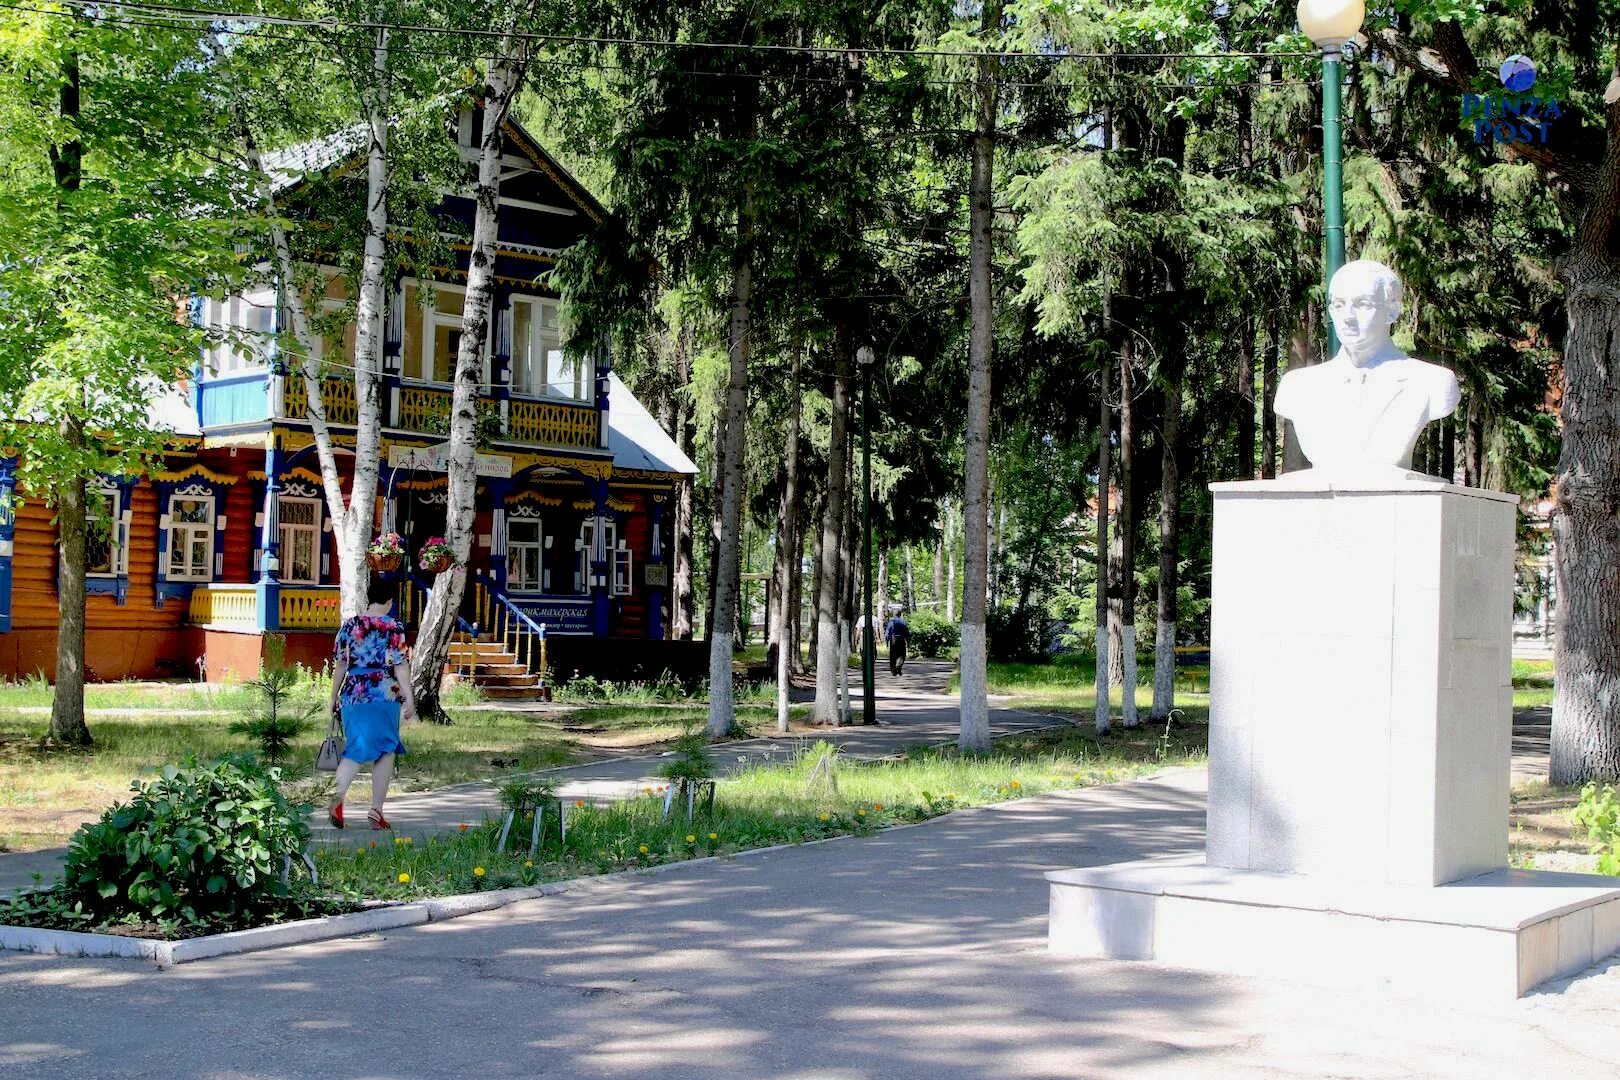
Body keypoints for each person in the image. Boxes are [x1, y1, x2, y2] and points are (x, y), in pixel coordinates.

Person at [1273, 259, 1460, 476]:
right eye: (1339, 304)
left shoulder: (1432, 381)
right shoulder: (1297, 386)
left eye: (1363, 304)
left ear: (1392, 311)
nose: (1348, 317)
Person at [327, 577, 418, 830]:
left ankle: (337, 798)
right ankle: (376, 810)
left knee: (356, 747)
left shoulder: (349, 626)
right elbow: (400, 665)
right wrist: (409, 697)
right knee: (386, 748)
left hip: (353, 694)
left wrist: (333, 696)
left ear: (370, 596)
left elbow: (341, 665)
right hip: (384, 694)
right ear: (390, 600)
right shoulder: (393, 627)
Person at [883, 610, 910, 677]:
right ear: (900, 615)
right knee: (902, 655)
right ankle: (898, 666)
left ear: (894, 615)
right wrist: (908, 641)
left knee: (893, 656)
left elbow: (888, 632)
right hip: (901, 639)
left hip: (893, 639)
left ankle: (893, 671)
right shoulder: (903, 622)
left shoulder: (891, 622)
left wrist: (886, 640)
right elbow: (906, 632)